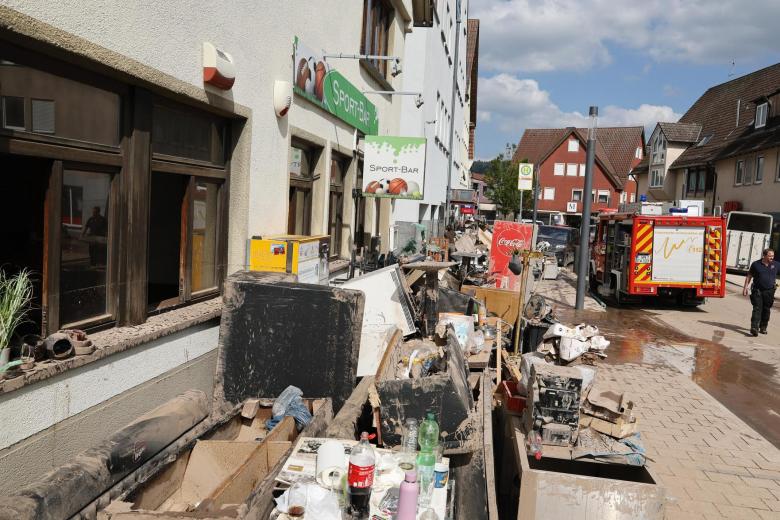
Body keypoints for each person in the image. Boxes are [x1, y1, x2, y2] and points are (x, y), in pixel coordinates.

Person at [743, 248, 780, 336]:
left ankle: (763, 327)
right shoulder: (756, 264)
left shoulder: (776, 264)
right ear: (764, 255)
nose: (772, 257)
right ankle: (754, 328)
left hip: (769, 291)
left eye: (773, 256)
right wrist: (745, 288)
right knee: (757, 308)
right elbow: (749, 276)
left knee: (766, 310)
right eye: (770, 256)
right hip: (757, 290)